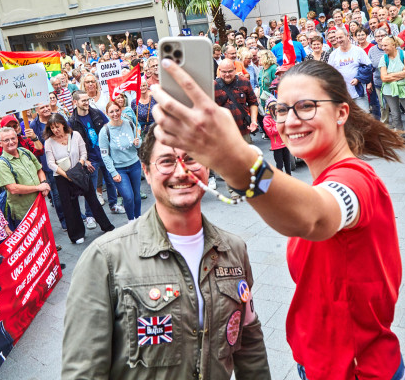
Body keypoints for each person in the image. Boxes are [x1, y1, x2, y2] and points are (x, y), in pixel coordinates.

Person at [150, 58, 405, 380]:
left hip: (357, 370)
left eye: (306, 106)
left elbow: (314, 217)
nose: (291, 120)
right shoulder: (327, 179)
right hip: (320, 364)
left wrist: (234, 160)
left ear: (342, 112)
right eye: (282, 110)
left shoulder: (357, 180)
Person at [62, 124, 271, 380]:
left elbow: (249, 343)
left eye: (192, 159)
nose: (182, 171)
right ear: (147, 172)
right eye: (167, 161)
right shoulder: (104, 259)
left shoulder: (234, 249)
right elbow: (84, 371)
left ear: (207, 168)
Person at [45, 114, 113, 243]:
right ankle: (77, 234)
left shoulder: (75, 135)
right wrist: (66, 175)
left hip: (79, 172)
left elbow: (84, 153)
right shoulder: (49, 142)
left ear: (63, 125)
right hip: (62, 177)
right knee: (70, 206)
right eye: (52, 128)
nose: (55, 130)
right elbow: (50, 163)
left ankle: (106, 225)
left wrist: (78, 167)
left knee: (92, 199)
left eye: (57, 127)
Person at [69, 90, 120, 213]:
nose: (87, 103)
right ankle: (90, 215)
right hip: (89, 159)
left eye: (88, 100)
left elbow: (109, 128)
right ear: (75, 102)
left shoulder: (96, 113)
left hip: (104, 154)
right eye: (84, 100)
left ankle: (114, 205)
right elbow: (72, 144)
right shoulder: (72, 122)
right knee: (90, 188)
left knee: (110, 181)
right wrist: (84, 160)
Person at [0, 126, 52, 228]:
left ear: (17, 138)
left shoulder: (25, 152)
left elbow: (39, 169)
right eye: (6, 140)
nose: (11, 142)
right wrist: (38, 188)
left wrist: (43, 183)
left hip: (40, 204)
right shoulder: (1, 164)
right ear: (0, 143)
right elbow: (13, 189)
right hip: (24, 213)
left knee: (45, 233)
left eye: (13, 138)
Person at [99, 101, 142, 220]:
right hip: (119, 169)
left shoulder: (130, 124)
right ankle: (131, 220)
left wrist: (138, 143)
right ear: (107, 113)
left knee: (137, 196)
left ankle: (138, 219)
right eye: (111, 112)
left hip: (134, 165)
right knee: (128, 197)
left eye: (117, 110)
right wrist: (113, 172)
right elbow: (105, 155)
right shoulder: (104, 131)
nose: (115, 114)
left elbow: (139, 142)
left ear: (121, 110)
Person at [215, 59, 259, 144]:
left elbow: (253, 103)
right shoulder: (213, 86)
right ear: (219, 71)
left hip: (243, 130)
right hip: (223, 133)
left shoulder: (244, 82)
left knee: (247, 156)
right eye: (224, 72)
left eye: (230, 71)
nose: (227, 75)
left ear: (235, 69)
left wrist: (253, 121)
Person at [327, 29, 372, 111]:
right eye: (337, 38)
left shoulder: (358, 51)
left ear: (347, 36)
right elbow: (329, 73)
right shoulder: (333, 55)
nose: (338, 40)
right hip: (343, 94)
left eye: (340, 37)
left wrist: (358, 78)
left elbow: (368, 67)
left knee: (364, 118)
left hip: (358, 93)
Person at [264, 97, 293, 173]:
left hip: (285, 143)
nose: (274, 109)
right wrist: (278, 124)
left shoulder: (281, 116)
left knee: (288, 163)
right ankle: (282, 182)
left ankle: (289, 179)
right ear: (269, 108)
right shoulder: (267, 119)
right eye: (272, 107)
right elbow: (270, 132)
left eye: (275, 106)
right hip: (277, 146)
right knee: (279, 165)